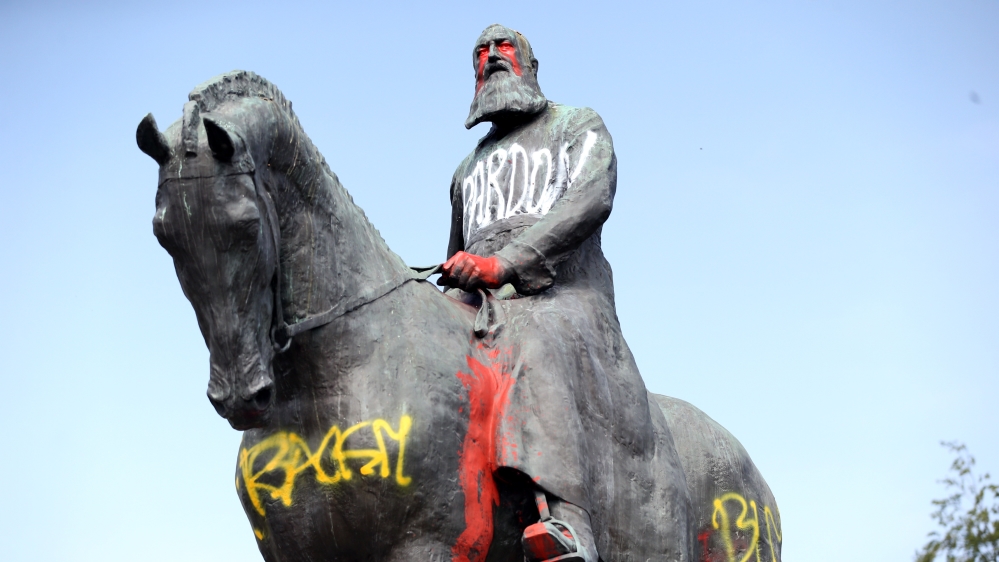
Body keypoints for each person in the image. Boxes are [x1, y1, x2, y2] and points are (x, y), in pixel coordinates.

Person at [438, 24, 691, 562]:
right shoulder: (465, 171)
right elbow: (457, 250)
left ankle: (568, 521)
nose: (490, 58)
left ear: (529, 63)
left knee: (534, 334)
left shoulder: (576, 125)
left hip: (565, 296)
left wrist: (504, 263)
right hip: (486, 307)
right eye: (480, 53)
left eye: (502, 48)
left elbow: (590, 200)